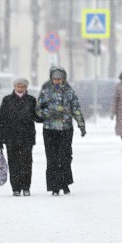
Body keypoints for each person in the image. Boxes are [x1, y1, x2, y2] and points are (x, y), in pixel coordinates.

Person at [36, 66, 86, 196]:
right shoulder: (46, 91)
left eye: (59, 79)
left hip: (65, 129)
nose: (57, 82)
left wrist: (81, 125)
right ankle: (54, 186)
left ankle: (65, 183)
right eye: (55, 79)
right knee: (52, 158)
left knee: (65, 157)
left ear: (63, 79)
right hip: (50, 129)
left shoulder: (69, 92)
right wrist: (47, 113)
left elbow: (76, 108)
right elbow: (38, 108)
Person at [0, 78, 41, 196]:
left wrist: (44, 114)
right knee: (13, 163)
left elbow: (36, 117)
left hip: (27, 136)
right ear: (14, 87)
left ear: (26, 87)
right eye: (18, 86)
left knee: (26, 162)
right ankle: (16, 188)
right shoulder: (7, 100)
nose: (20, 88)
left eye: (23, 86)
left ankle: (26, 187)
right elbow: (1, 119)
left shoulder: (31, 100)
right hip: (11, 136)